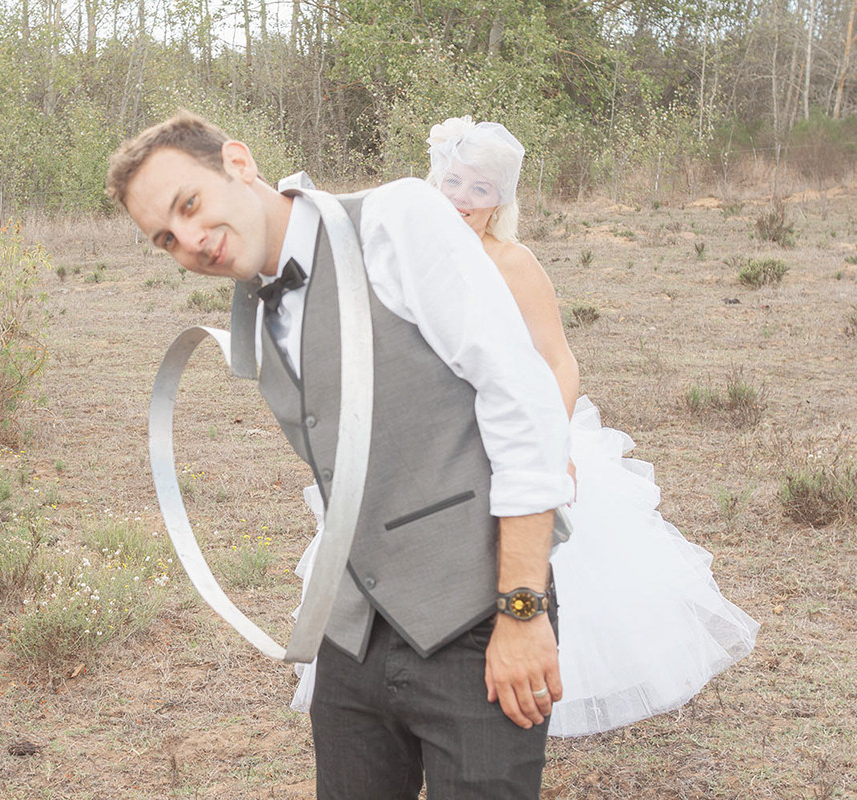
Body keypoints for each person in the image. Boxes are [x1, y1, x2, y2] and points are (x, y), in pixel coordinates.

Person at [107, 110, 576, 799]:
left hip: (476, 621)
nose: (192, 241)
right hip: (350, 637)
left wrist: (522, 613)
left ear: (238, 162)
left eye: (190, 204)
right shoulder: (251, 312)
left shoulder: (395, 218)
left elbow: (524, 404)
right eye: (166, 239)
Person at [291, 116, 760, 737]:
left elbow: (558, 360)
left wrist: (550, 443)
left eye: (479, 188)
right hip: (429, 446)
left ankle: (525, 685)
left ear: (500, 200)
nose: (461, 198)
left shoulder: (513, 263)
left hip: (517, 432)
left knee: (528, 557)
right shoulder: (402, 257)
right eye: (452, 181)